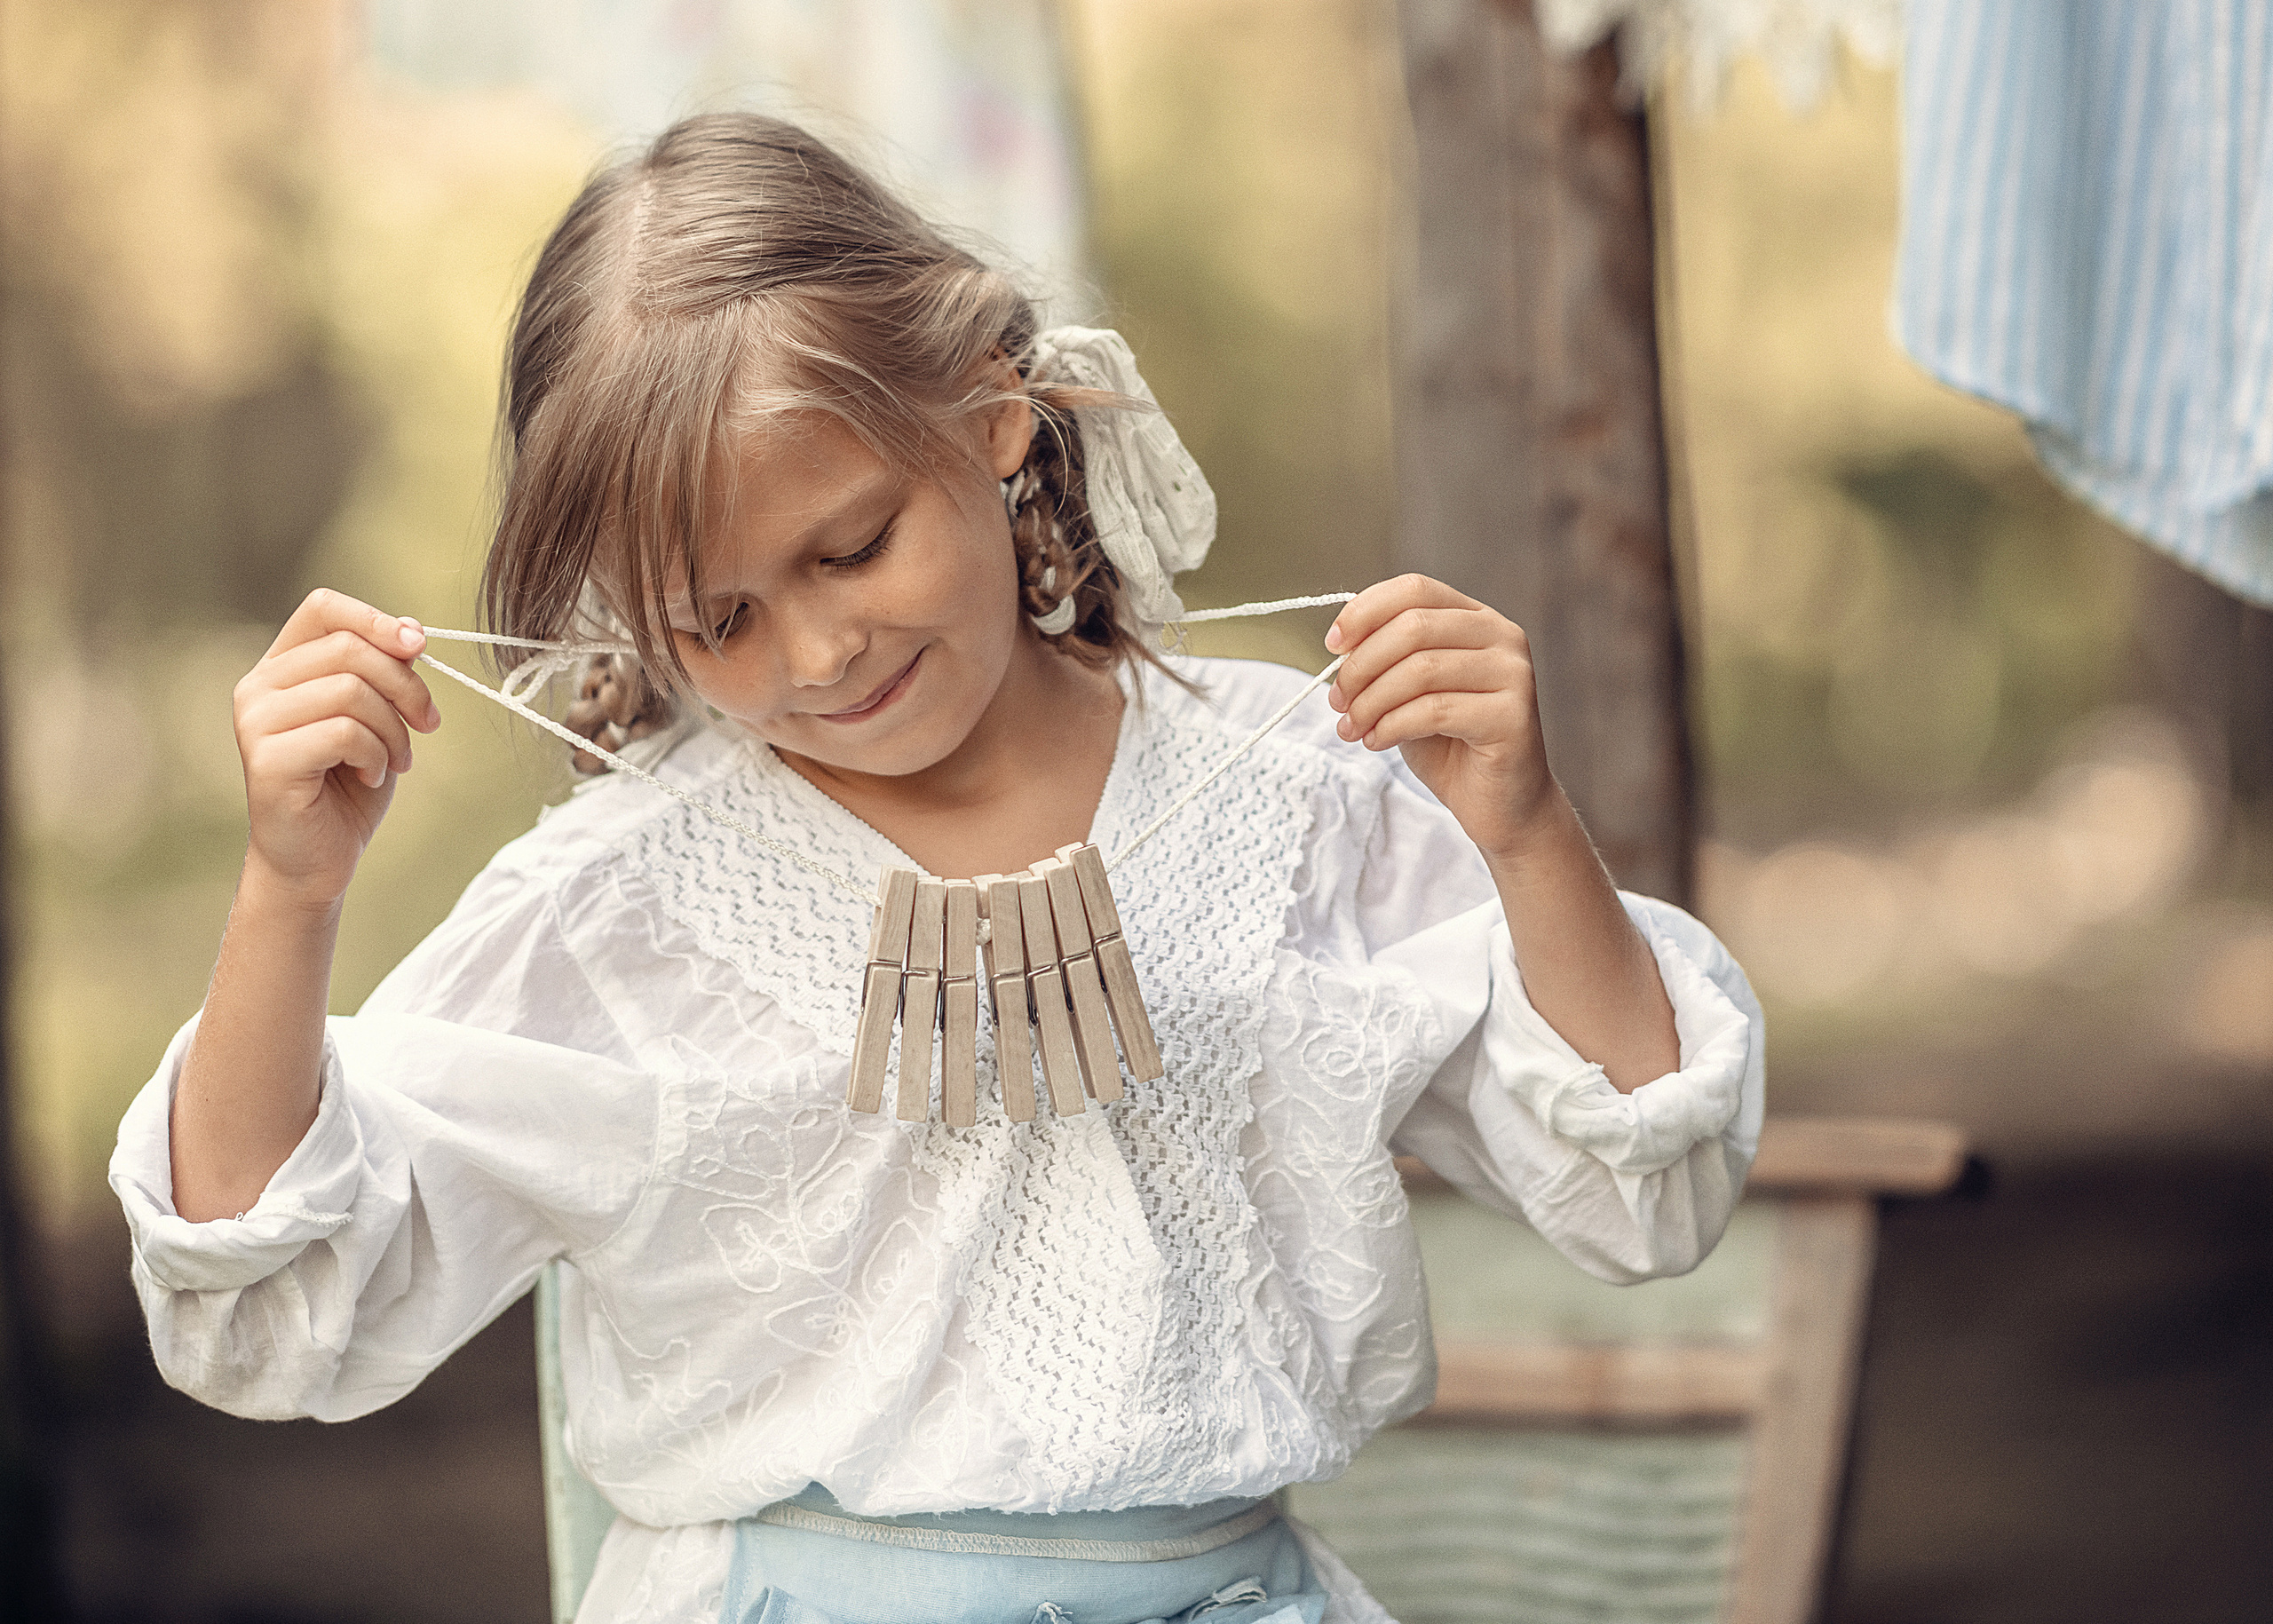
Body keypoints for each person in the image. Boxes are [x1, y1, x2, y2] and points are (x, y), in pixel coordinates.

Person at [110, 114, 1762, 1624]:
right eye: (719, 616)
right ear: (631, 605)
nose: (821, 648)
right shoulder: (620, 908)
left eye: (851, 546)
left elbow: (1642, 1189)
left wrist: (1530, 832)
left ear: (987, 412)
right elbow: (272, 1307)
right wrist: (288, 893)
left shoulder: (1296, 795)